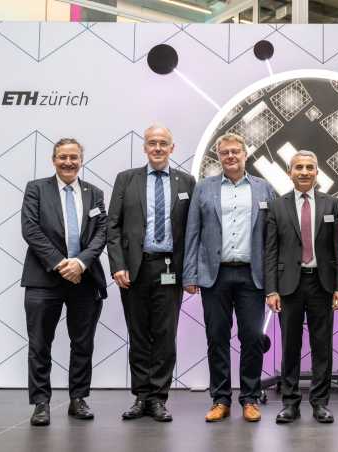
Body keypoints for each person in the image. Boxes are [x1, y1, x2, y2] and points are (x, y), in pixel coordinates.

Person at [183, 133, 276, 423]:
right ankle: (220, 399)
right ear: (219, 157)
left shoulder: (264, 189)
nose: (231, 156)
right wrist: (190, 273)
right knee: (217, 338)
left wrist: (274, 281)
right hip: (215, 275)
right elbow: (193, 233)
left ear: (245, 154)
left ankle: (249, 398)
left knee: (251, 337)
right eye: (225, 152)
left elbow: (272, 238)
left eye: (236, 151)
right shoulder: (204, 188)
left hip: (252, 275)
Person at [108, 125, 195, 422]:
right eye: (152, 143)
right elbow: (113, 226)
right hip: (134, 268)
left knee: (165, 335)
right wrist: (118, 265)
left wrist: (191, 271)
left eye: (163, 143)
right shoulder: (126, 179)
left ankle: (158, 398)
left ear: (172, 148)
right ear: (144, 148)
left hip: (171, 269)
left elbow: (193, 231)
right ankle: (141, 396)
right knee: (139, 334)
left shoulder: (187, 182)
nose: (157, 148)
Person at [21, 138, 107, 426]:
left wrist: (80, 262)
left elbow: (101, 234)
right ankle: (41, 403)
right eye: (62, 157)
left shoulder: (94, 194)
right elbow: (30, 229)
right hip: (44, 278)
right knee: (40, 343)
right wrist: (61, 264)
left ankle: (78, 399)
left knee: (82, 343)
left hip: (84, 278)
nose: (68, 162)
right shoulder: (36, 189)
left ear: (81, 160)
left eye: (73, 157)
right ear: (53, 159)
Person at [265, 150, 338, 424]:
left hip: (321, 284)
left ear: (316, 172)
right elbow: (271, 252)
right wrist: (271, 289)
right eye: (298, 167)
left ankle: (320, 402)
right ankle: (290, 403)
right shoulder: (277, 205)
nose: (303, 172)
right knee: (290, 346)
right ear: (290, 172)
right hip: (289, 286)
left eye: (309, 167)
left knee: (322, 345)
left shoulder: (332, 204)